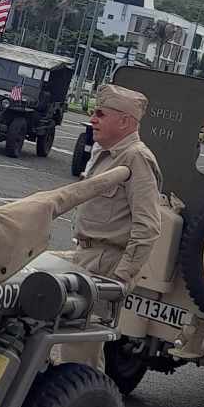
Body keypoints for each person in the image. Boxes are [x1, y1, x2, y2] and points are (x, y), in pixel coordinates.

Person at [57, 84, 165, 288]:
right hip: (86, 257)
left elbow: (147, 227)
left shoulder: (136, 158)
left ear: (124, 121)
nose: (92, 119)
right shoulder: (106, 153)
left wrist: (120, 277)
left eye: (100, 114)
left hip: (105, 267)